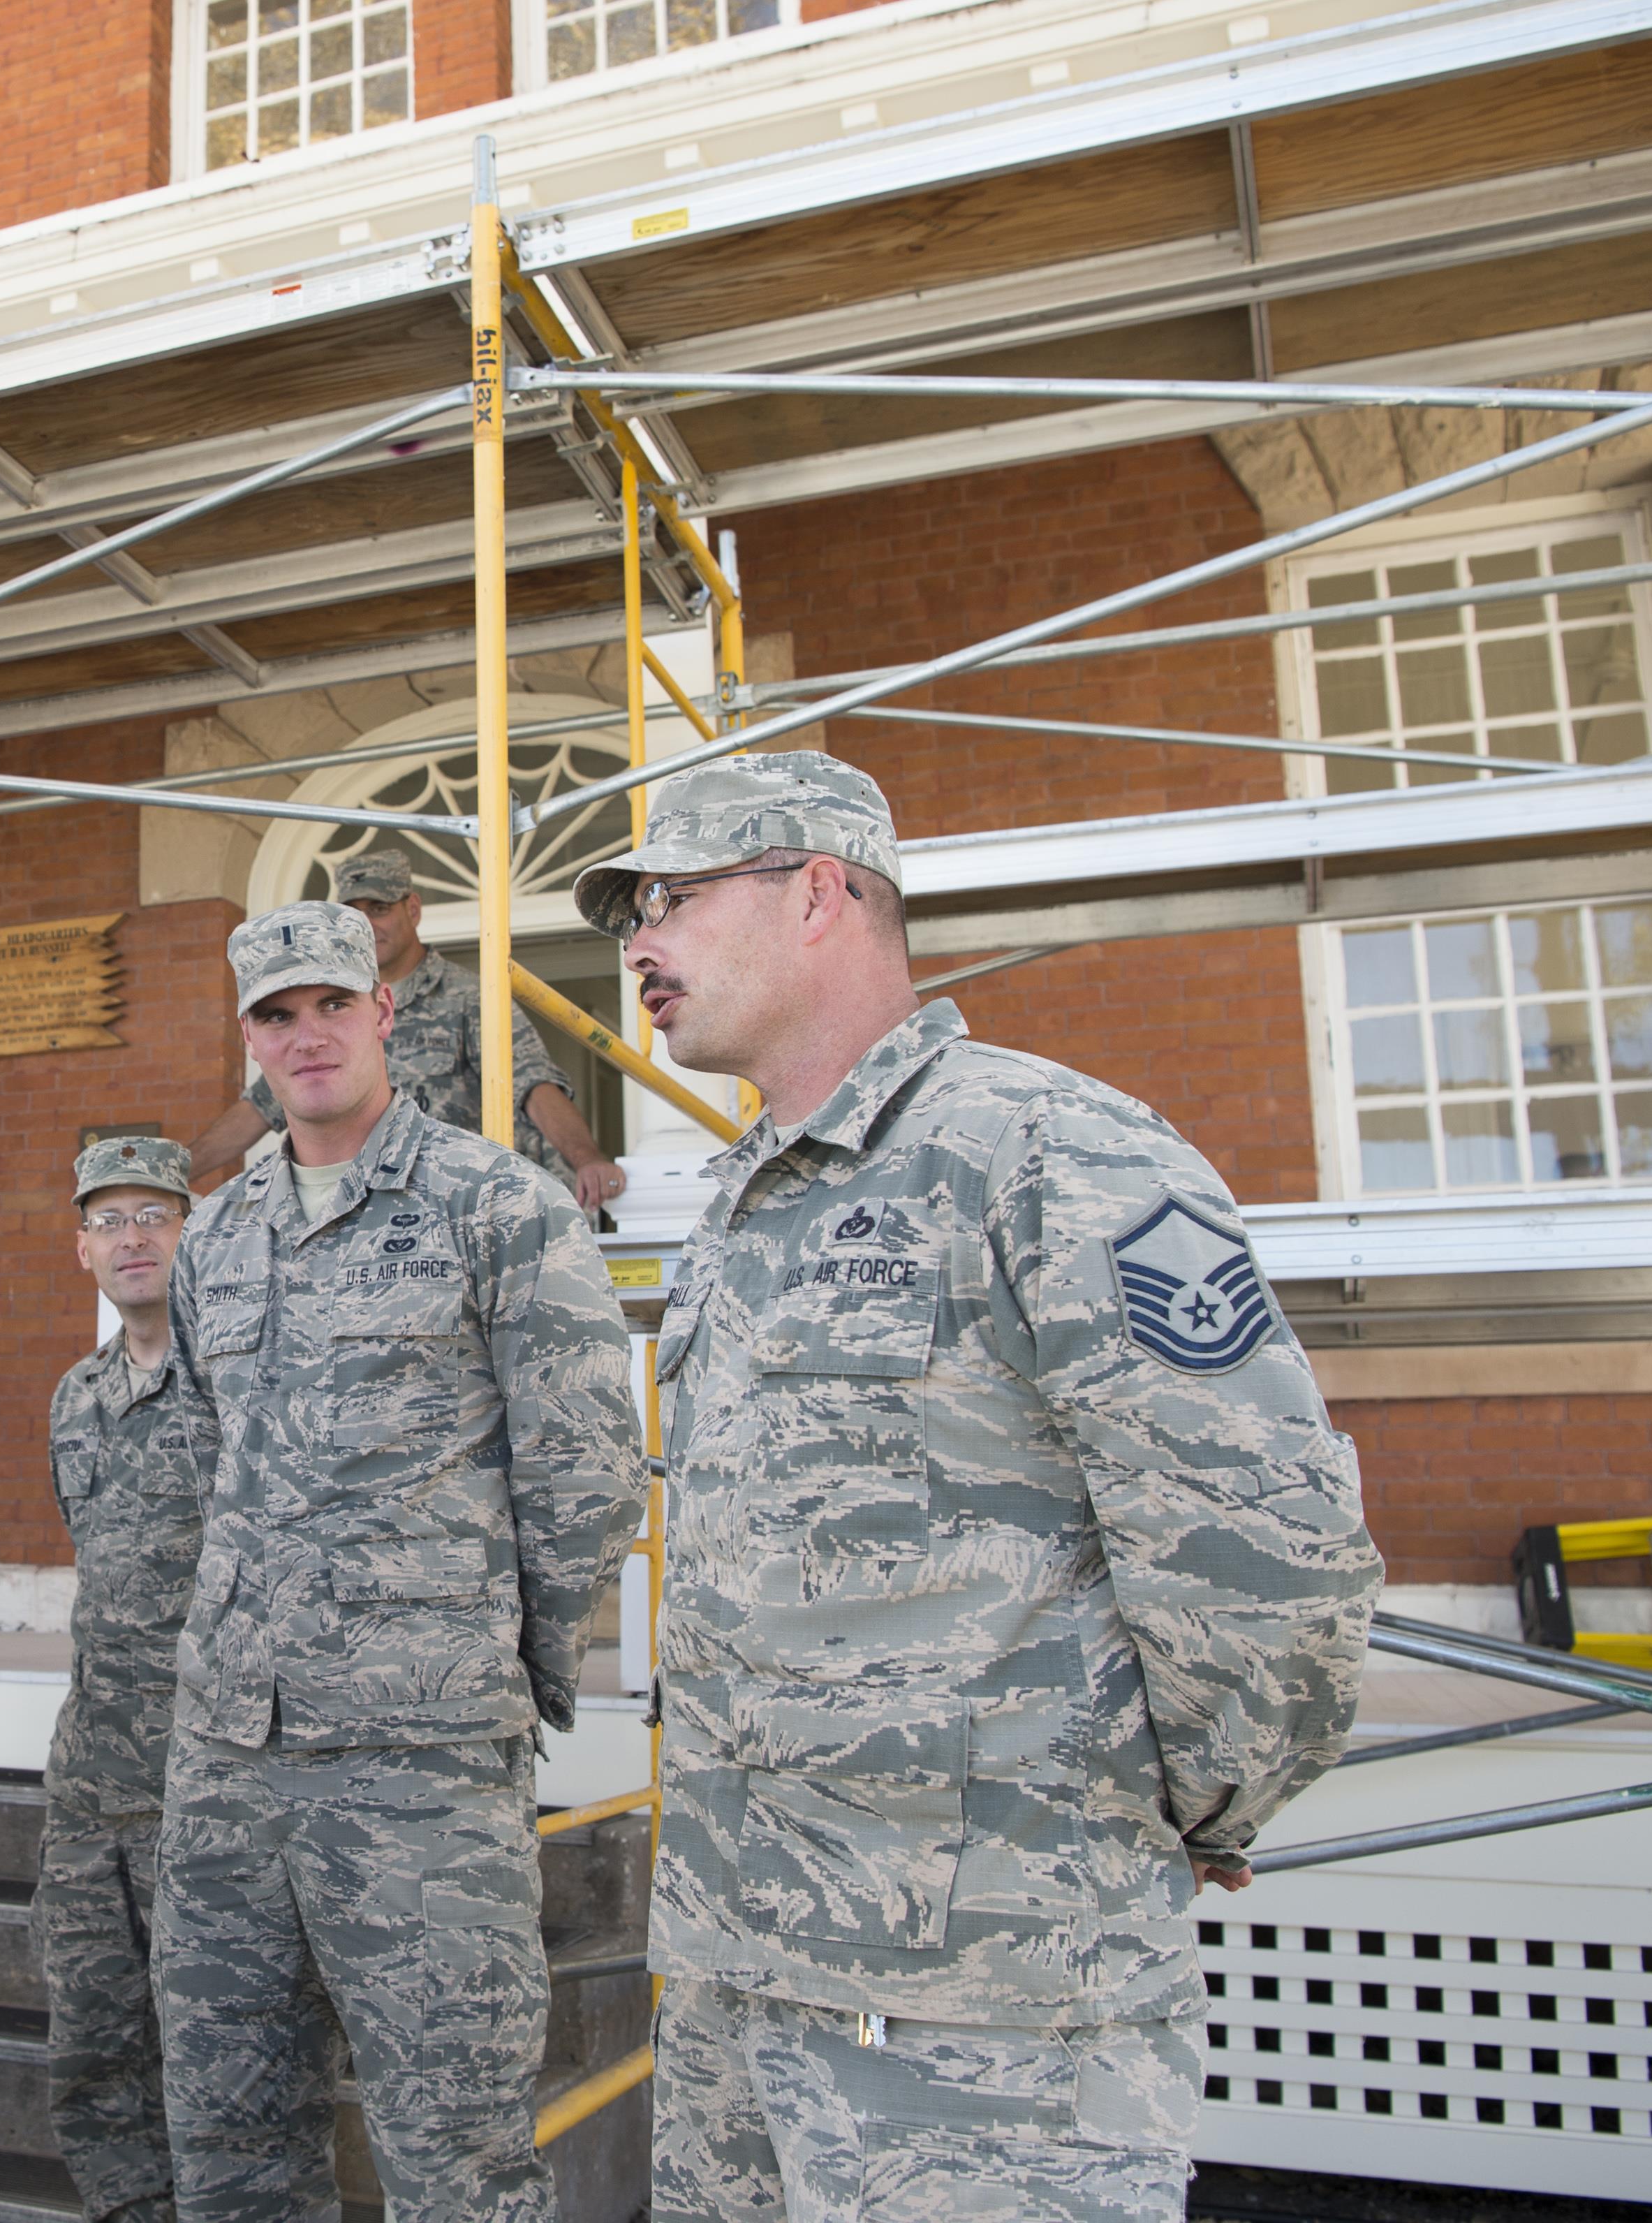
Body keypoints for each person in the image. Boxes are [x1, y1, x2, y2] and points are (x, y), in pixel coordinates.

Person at [576, 750, 1382, 2223]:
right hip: (738, 1981)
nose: (637, 940)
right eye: (632, 908)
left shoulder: (1053, 1152)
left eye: (672, 895)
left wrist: (1156, 1818)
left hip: (984, 2021)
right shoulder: (754, 1195)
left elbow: (1268, 1563)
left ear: (818, 889)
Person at [154, 903, 643, 2223]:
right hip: (226, 1768)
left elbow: (587, 1474)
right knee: (227, 2145)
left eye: (329, 1005)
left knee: (457, 2163)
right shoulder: (214, 1237)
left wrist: (499, 1673)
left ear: (384, 1013)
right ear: (247, 1042)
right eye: (274, 1015)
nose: (304, 1037)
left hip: (417, 1768)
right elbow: (210, 1464)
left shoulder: (497, 1206)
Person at [36, 1136, 332, 2223]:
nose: (132, 1238)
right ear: (82, 1249)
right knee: (95, 2052)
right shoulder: (77, 1397)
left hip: (220, 1790)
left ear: (193, 1232)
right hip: (92, 1794)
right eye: (108, 1220)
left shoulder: (246, 1380)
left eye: (154, 1214)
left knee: (241, 2073)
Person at [187, 849, 628, 1218]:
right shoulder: (307, 1023)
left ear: (412, 909)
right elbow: (255, 1112)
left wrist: (585, 1157)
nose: (369, 923)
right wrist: (169, 1177)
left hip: (466, 1204)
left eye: (379, 909)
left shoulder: (467, 996)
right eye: (355, 912)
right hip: (368, 1207)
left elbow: (532, 1083)